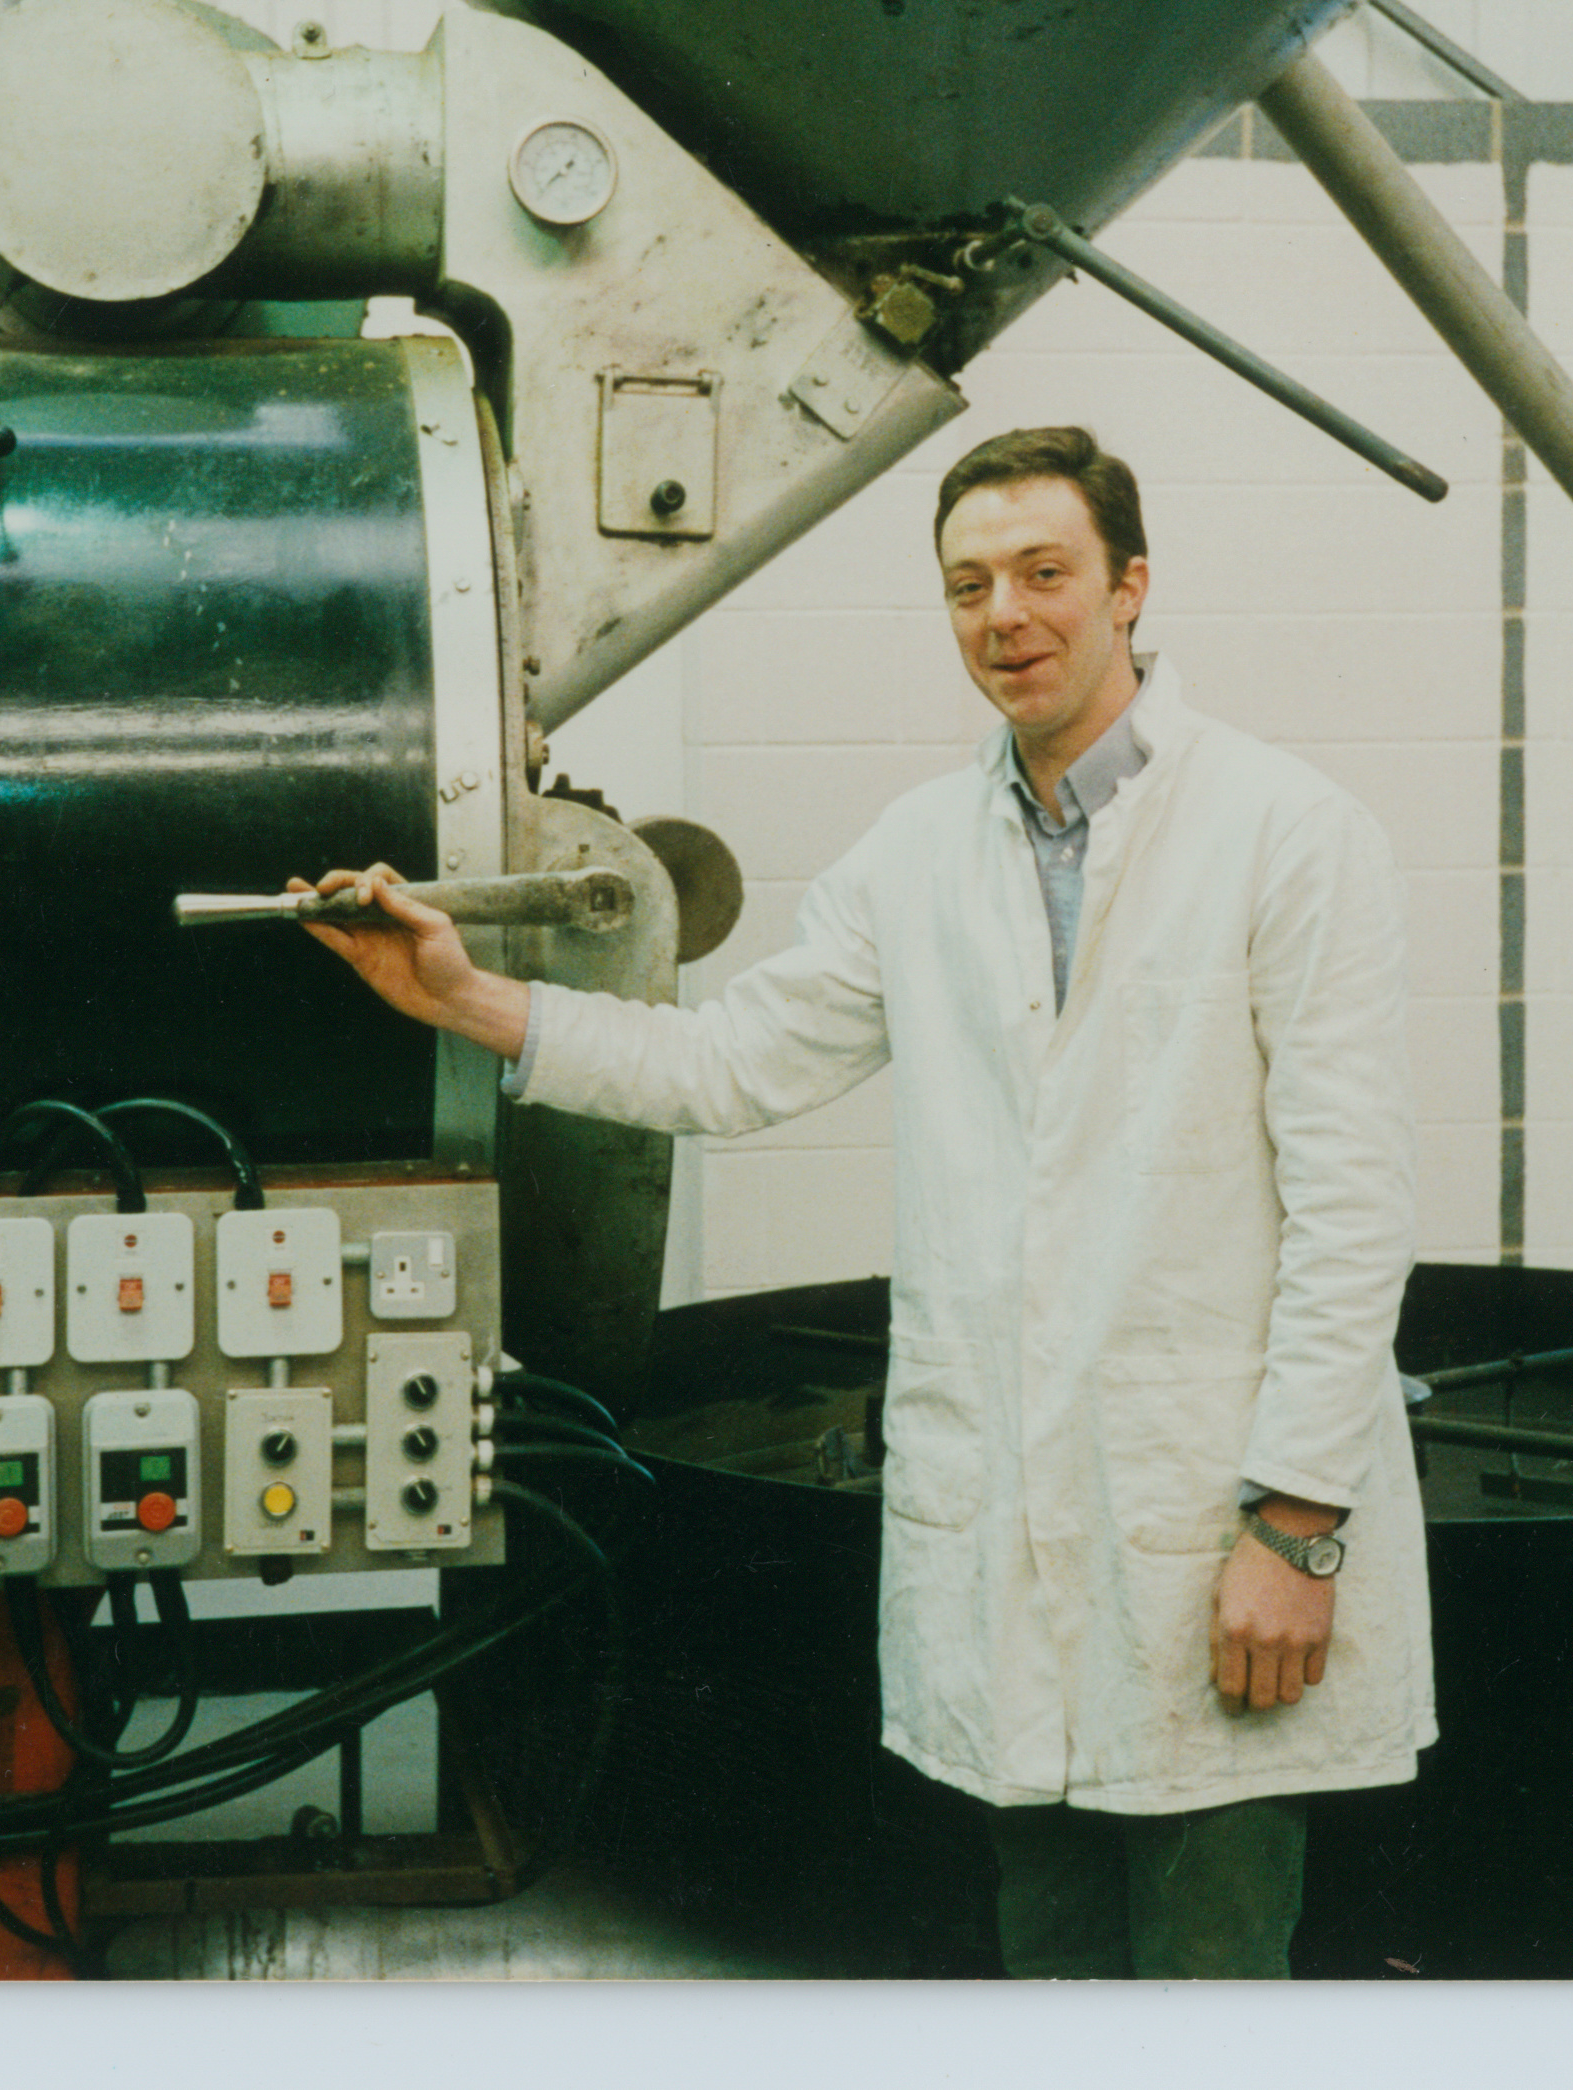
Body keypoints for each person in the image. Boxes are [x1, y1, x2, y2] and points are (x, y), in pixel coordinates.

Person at [299, 424, 1431, 1977]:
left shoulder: (1286, 834)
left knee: (1207, 1980)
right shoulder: (920, 851)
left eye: (1044, 573)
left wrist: (1295, 1528)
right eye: (968, 584)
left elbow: (1353, 1205)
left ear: (1130, 589)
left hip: (1214, 1529)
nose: (1004, 615)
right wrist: (466, 999)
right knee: (1047, 1965)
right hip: (1016, 1553)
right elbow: (727, 1065)